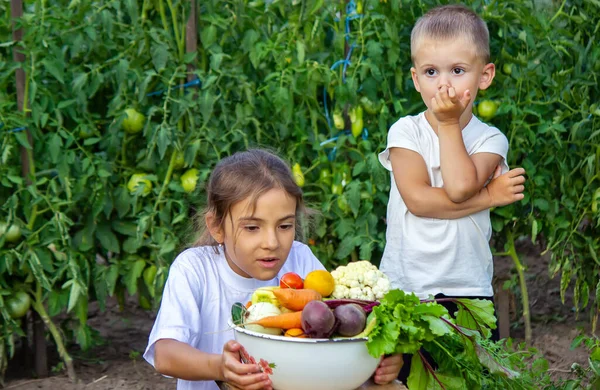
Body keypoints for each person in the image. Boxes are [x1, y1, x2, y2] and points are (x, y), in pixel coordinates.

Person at [144, 149, 403, 390]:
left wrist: (377, 359)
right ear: (217, 227)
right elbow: (165, 354)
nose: (272, 243)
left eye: (284, 226)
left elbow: (333, 329)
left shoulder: (300, 259)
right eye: (252, 228)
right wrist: (220, 367)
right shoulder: (195, 269)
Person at [377, 4, 527, 383]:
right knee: (405, 379)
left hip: (467, 288)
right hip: (406, 286)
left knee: (467, 377)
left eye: (457, 71)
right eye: (431, 72)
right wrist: (490, 198)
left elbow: (459, 187)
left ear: (484, 76)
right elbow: (419, 201)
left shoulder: (490, 139)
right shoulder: (405, 132)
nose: (443, 85)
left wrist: (447, 125)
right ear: (415, 78)